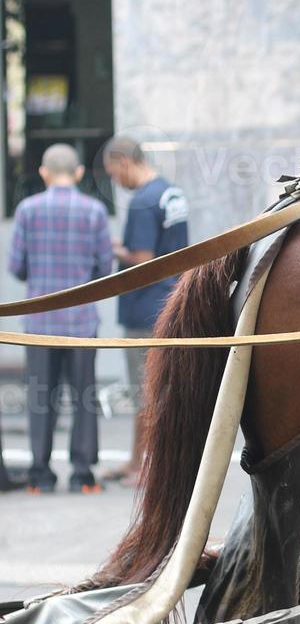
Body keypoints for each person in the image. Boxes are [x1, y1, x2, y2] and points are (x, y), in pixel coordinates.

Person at [5, 144, 112, 494]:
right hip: (81, 322)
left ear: (44, 172)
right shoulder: (94, 211)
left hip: (39, 325)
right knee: (83, 397)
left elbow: (17, 267)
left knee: (40, 397)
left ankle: (40, 475)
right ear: (79, 172)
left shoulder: (26, 211)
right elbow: (104, 270)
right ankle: (82, 475)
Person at [102, 136, 188, 486]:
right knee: (153, 388)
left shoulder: (143, 201)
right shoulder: (171, 193)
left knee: (147, 389)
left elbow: (143, 259)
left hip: (145, 308)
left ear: (123, 162)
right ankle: (136, 460)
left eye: (113, 173)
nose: (115, 181)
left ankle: (145, 467)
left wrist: (115, 248)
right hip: (169, 300)